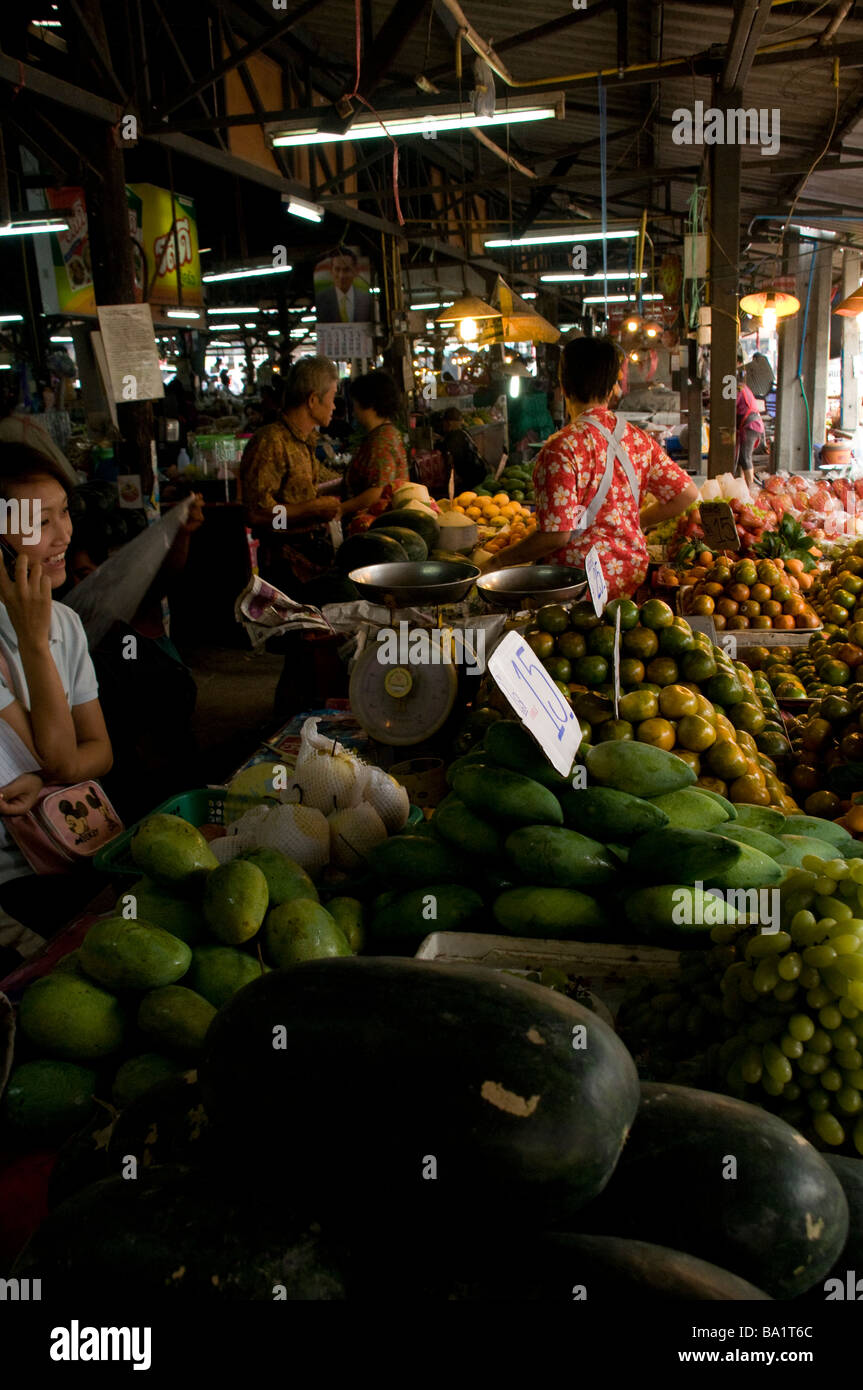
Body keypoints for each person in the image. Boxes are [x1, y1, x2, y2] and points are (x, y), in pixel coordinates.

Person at [0, 443, 114, 958]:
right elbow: (67, 759)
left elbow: (99, 751)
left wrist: (44, 778)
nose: (64, 535)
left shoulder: (65, 623)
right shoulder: (39, 629)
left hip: (67, 849)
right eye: (40, 522)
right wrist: (31, 639)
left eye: (64, 512)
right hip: (12, 883)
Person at [480, 336, 698, 599]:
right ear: (611, 388)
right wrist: (635, 523)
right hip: (629, 571)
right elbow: (686, 495)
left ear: (564, 384)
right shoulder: (638, 439)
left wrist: (496, 562)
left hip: (578, 580)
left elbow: (555, 537)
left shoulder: (561, 447)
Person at [239, 357, 341, 592]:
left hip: (309, 554)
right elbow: (257, 515)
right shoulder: (271, 442)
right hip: (282, 565)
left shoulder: (304, 440)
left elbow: (310, 486)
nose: (334, 406)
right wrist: (310, 510)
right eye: (332, 397)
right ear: (313, 400)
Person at [340, 371, 408, 519]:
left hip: (377, 523)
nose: (354, 410)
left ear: (368, 403)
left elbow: (377, 492)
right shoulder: (384, 433)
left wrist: (341, 509)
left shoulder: (382, 439)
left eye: (355, 403)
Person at [438, 407, 486, 493]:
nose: (443, 425)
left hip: (471, 478)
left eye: (444, 422)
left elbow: (450, 460)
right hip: (480, 473)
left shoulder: (454, 437)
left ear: (449, 423)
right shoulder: (464, 432)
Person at [316, 249, 371, 324]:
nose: (341, 276)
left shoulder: (366, 300)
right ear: (331, 271)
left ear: (355, 271)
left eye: (347, 270)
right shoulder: (320, 300)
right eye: (337, 269)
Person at [736, 368, 766, 491]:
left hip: (751, 426)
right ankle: (743, 486)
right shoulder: (744, 388)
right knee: (741, 457)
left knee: (744, 457)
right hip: (752, 425)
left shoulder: (739, 389)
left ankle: (751, 487)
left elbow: (729, 405)